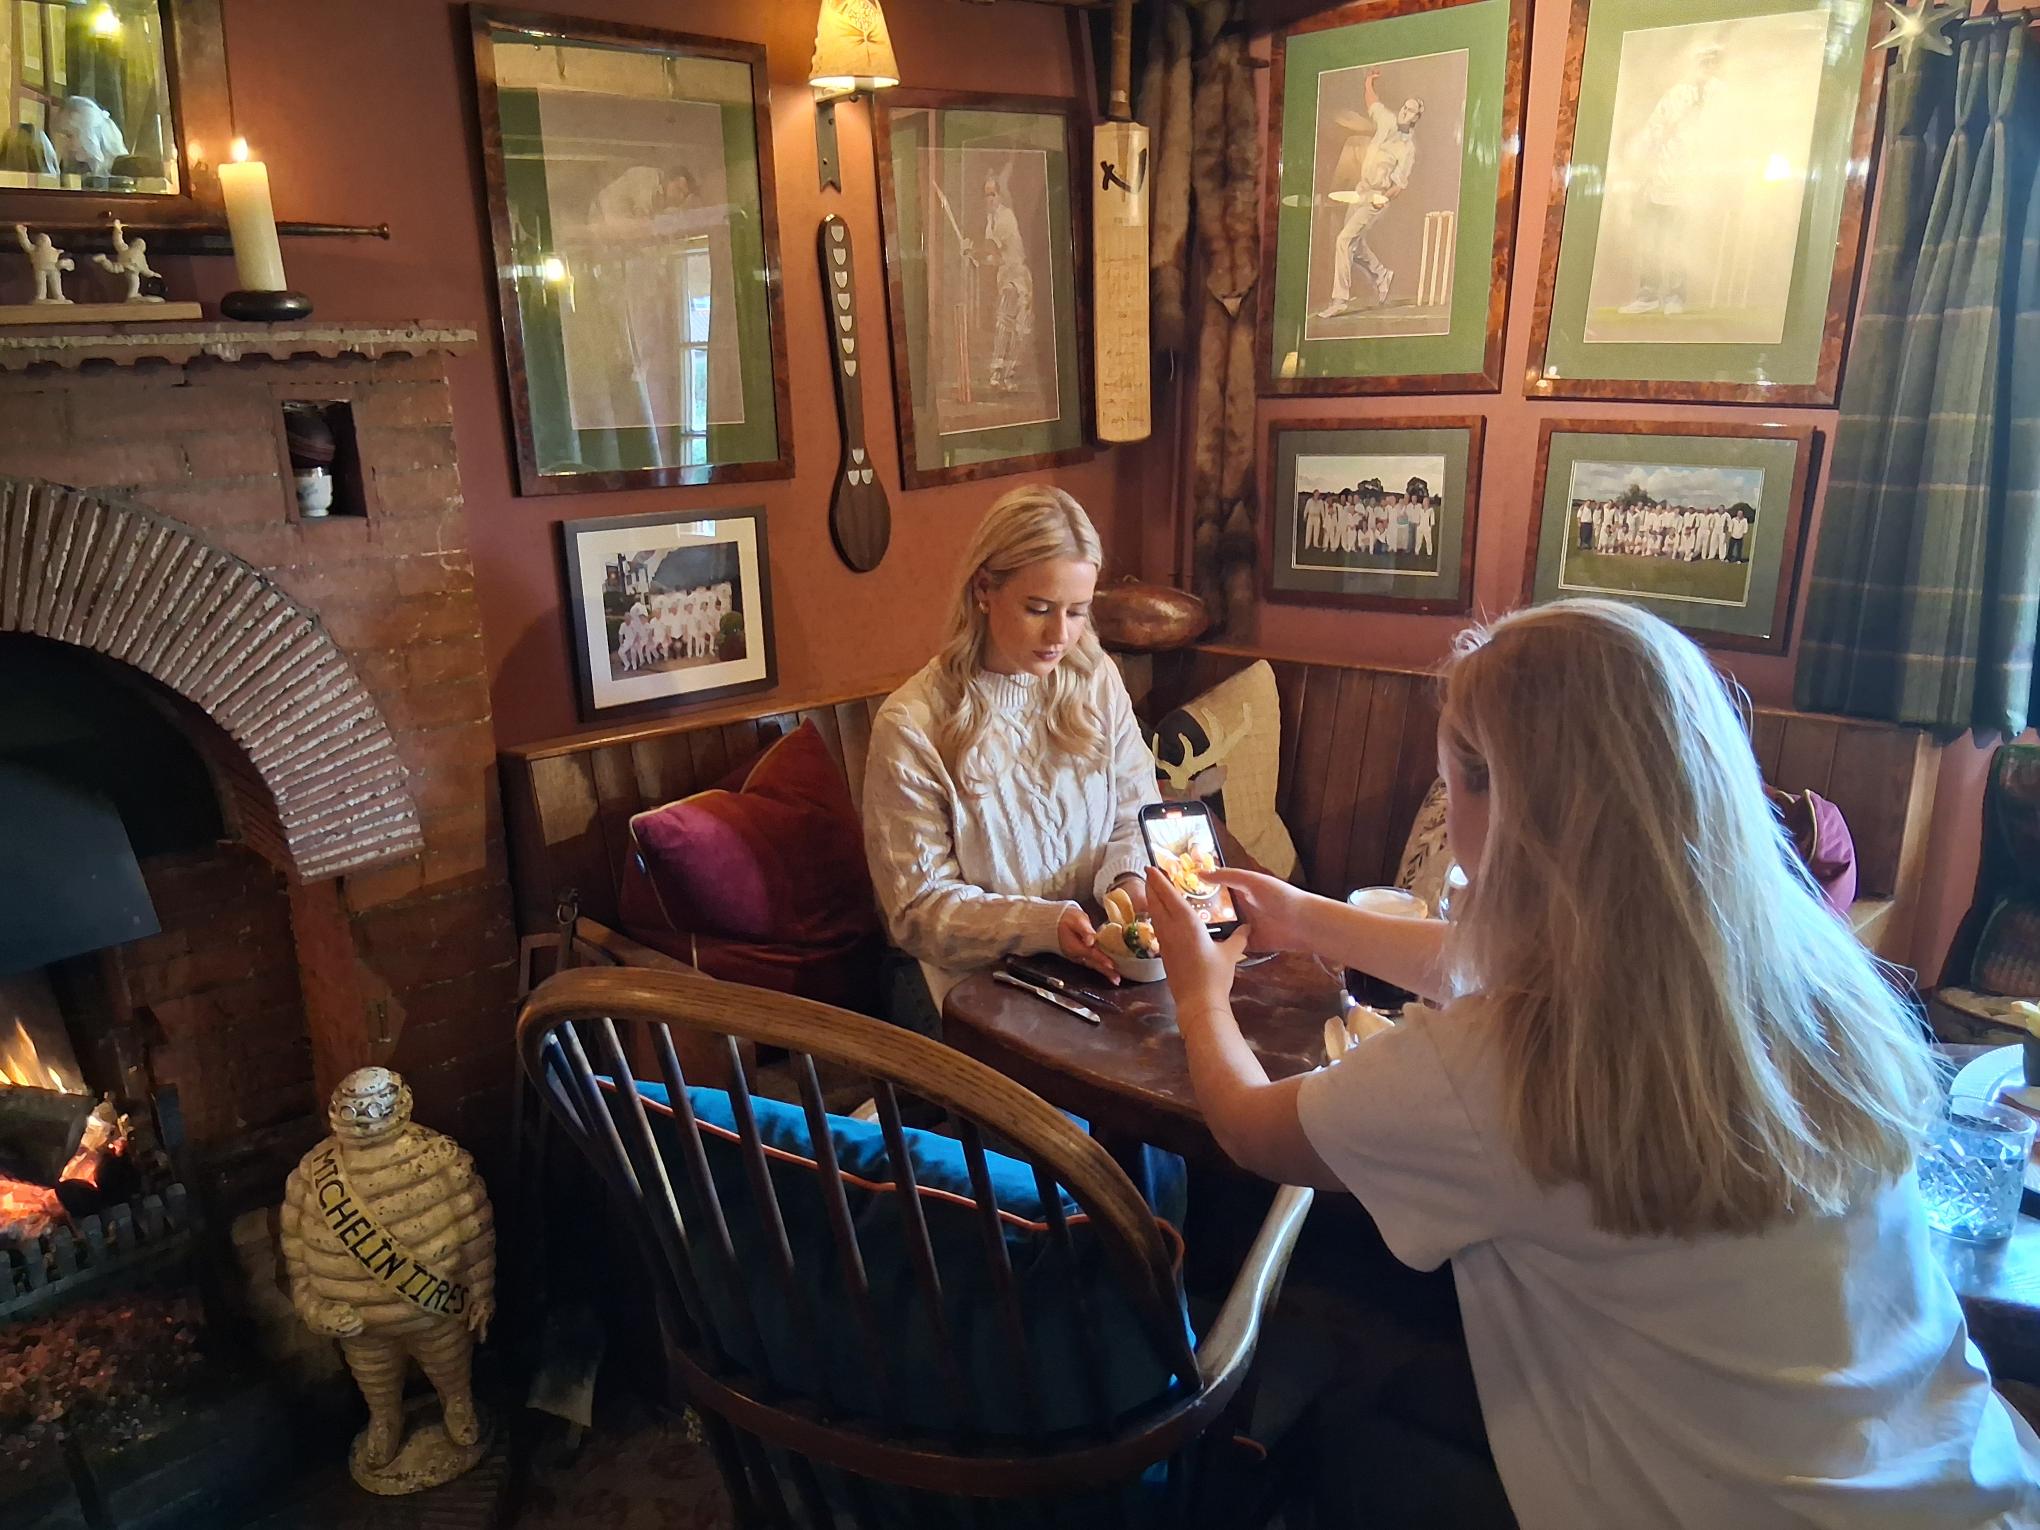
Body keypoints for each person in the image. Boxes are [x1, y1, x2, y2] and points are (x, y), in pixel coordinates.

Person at [1147, 598, 2040, 1529]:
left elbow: (1251, 1130)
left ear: (1507, 803)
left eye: (1454, 782)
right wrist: (1305, 917)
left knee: (1356, 1440)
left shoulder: (1493, 1068)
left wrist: (1197, 995)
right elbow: (1509, 963)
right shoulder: (1809, 972)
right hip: (1970, 1478)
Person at [863, 484, 1155, 1008]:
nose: (1060, 635)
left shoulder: (1096, 680)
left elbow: (1138, 813)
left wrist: (1130, 882)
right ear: (983, 590)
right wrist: (1044, 925)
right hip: (974, 994)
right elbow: (918, 910)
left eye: (1078, 611)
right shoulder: (912, 725)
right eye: (1038, 608)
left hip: (1100, 973)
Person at [1618, 42, 1722, 318]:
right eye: (1703, 60)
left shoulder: (1721, 96)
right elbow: (1653, 131)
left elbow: (1723, 137)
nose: (1707, 65)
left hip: (1692, 184)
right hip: (1661, 178)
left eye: (1712, 60)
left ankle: (1676, 297)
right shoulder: (1675, 94)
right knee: (1651, 239)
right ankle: (1648, 295)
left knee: (1679, 243)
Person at [1318, 70, 1424, 319]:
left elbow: (1399, 185)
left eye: (1411, 112)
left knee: (1344, 241)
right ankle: (1381, 274)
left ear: (1416, 118)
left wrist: (1382, 198)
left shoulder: (1407, 149)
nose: (1405, 113)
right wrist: (1368, 82)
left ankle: (1339, 300)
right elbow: (1372, 102)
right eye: (1405, 108)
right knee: (1354, 244)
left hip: (1377, 198)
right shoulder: (1386, 120)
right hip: (1361, 191)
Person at [967, 171, 1035, 393]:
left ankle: (1006, 373)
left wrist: (973, 249)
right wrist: (973, 256)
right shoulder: (990, 221)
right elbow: (993, 258)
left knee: (1018, 327)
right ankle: (999, 373)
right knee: (1005, 323)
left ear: (1000, 196)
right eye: (986, 195)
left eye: (993, 194)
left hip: (1018, 276)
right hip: (1005, 275)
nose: (990, 199)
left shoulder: (1006, 217)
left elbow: (991, 248)